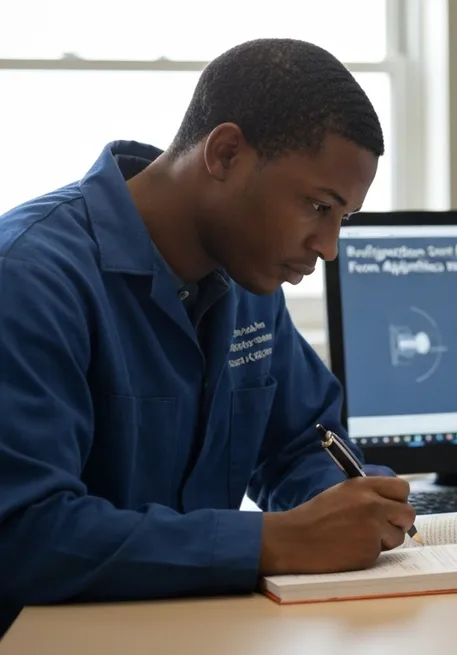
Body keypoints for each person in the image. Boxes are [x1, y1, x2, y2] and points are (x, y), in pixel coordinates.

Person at [0, 38, 416, 636]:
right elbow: (25, 534)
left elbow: (302, 443)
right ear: (224, 154)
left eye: (342, 219)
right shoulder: (32, 277)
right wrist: (273, 543)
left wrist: (354, 510)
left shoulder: (249, 281)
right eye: (318, 207)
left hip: (200, 631)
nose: (328, 248)